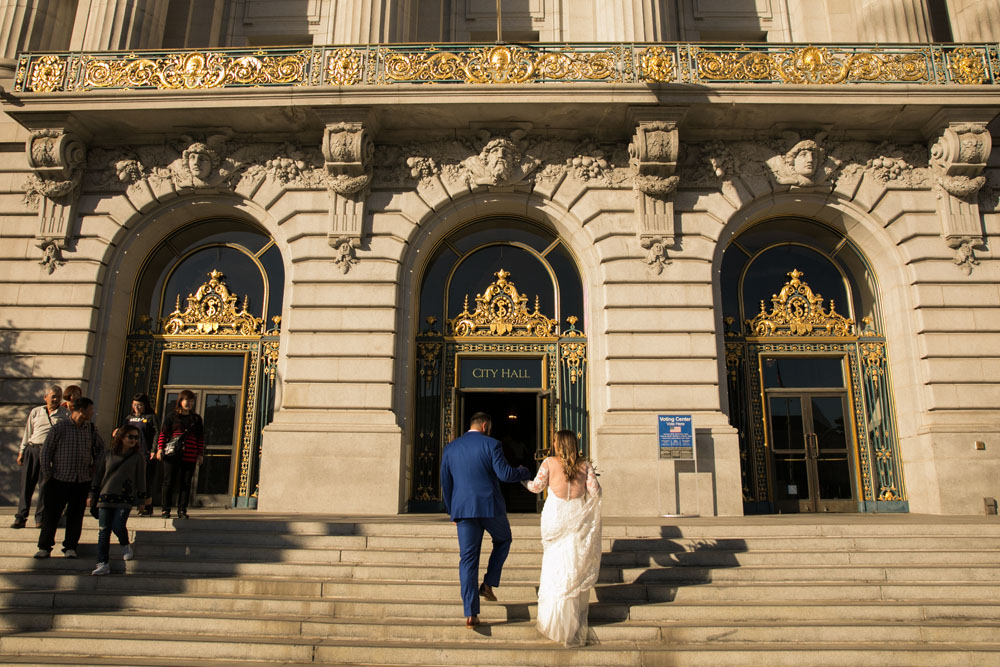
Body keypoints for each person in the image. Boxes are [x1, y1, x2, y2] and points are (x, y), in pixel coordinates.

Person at [440, 412, 531, 629]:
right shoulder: (492, 445)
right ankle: (488, 583)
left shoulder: (450, 448)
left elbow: (446, 482)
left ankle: (471, 614)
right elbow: (505, 474)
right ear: (484, 425)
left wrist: (452, 510)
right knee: (504, 539)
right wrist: (523, 471)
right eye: (488, 427)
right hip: (490, 508)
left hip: (463, 510)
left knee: (467, 560)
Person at [521, 430, 602, 647]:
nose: (553, 444)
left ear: (559, 444)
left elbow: (535, 487)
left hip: (555, 516)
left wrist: (521, 479)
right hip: (575, 515)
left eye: (555, 441)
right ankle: (571, 622)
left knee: (554, 565)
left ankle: (553, 622)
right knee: (571, 567)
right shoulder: (584, 465)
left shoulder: (549, 463)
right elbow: (595, 492)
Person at [35, 397, 104, 559]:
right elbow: (45, 452)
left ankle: (71, 546)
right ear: (81, 410)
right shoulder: (60, 428)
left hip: (81, 480)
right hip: (59, 478)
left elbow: (101, 449)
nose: (92, 412)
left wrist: (96, 467)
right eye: (90, 409)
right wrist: (48, 474)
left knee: (76, 515)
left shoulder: (91, 429)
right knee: (52, 515)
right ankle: (44, 547)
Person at [89, 424, 149, 575]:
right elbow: (98, 476)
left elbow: (141, 479)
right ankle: (102, 563)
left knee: (118, 526)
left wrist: (142, 500)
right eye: (130, 436)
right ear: (121, 437)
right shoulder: (107, 454)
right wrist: (92, 495)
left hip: (125, 497)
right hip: (105, 496)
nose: (134, 440)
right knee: (103, 531)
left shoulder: (137, 457)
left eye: (136, 437)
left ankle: (124, 543)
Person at [12, 385, 69, 529]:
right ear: (46, 397)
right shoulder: (36, 411)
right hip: (33, 449)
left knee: (45, 486)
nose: (55, 399)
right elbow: (28, 431)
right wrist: (22, 451)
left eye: (58, 396)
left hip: (50, 452)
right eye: (53, 396)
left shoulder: (65, 414)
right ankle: (21, 516)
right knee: (27, 485)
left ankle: (40, 517)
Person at [156, 390, 204, 519]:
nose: (189, 403)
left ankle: (182, 509)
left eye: (192, 401)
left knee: (186, 483)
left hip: (189, 454)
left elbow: (200, 437)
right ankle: (165, 509)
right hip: (172, 454)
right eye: (187, 400)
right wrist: (160, 448)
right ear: (180, 401)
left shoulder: (196, 418)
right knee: (168, 482)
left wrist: (199, 454)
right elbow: (164, 433)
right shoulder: (171, 417)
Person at [123, 394, 159, 516]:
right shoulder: (129, 418)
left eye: (140, 405)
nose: (137, 407)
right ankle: (128, 503)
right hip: (130, 453)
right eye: (134, 405)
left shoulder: (150, 417)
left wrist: (154, 450)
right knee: (129, 479)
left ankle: (146, 506)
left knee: (145, 480)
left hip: (146, 453)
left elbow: (157, 434)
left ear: (145, 405)